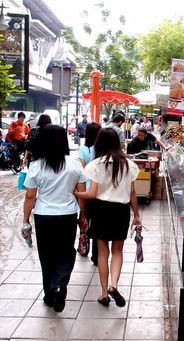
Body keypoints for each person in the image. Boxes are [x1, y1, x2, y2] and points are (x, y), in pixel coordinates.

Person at [22, 124, 87, 313]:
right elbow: (80, 194)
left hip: (43, 217)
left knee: (47, 256)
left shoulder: (36, 166)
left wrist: (26, 220)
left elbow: (30, 196)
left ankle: (50, 294)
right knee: (66, 253)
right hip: (67, 216)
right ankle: (59, 285)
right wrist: (83, 216)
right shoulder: (74, 165)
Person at [74, 128, 141, 307]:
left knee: (103, 253)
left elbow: (92, 193)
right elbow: (133, 193)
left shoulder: (96, 165)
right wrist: (137, 216)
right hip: (121, 211)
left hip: (100, 210)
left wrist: (76, 193)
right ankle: (114, 285)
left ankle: (104, 294)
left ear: (100, 143)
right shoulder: (129, 164)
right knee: (117, 251)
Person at [77, 122, 101, 266]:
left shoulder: (83, 149)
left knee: (85, 218)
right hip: (99, 191)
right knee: (98, 223)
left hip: (86, 190)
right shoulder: (102, 149)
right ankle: (96, 255)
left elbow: (82, 169)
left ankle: (84, 247)